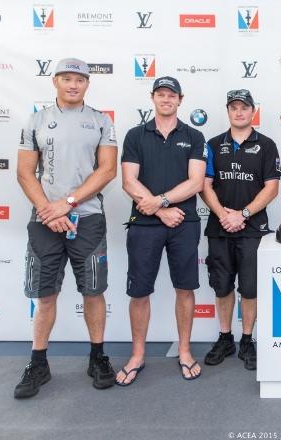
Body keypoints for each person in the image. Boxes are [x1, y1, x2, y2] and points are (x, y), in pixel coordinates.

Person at [15, 58, 118, 398]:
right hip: (45, 221)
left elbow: (106, 171)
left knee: (93, 291)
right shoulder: (36, 120)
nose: (74, 85)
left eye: (80, 79)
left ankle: (97, 357)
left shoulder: (101, 121)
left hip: (86, 218)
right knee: (45, 295)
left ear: (88, 84)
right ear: (55, 81)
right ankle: (38, 363)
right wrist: (50, 210)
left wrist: (68, 203)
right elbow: (25, 172)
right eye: (67, 78)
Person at [118, 76, 207, 384]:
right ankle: (138, 355)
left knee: (185, 289)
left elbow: (196, 181)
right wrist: (161, 210)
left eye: (172, 95)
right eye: (161, 94)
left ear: (180, 99)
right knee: (139, 292)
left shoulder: (194, 135)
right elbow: (129, 181)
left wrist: (161, 201)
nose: (166, 99)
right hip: (144, 225)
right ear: (152, 98)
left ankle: (184, 351)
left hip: (183, 223)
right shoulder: (135, 135)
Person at [200, 89, 280, 371]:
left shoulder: (267, 145)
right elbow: (204, 185)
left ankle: (247, 339)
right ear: (228, 111)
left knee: (250, 288)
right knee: (222, 287)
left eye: (244, 107)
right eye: (233, 107)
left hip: (253, 228)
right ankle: (225, 338)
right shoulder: (212, 144)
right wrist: (224, 214)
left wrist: (243, 214)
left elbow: (272, 187)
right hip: (220, 227)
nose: (239, 112)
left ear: (253, 110)